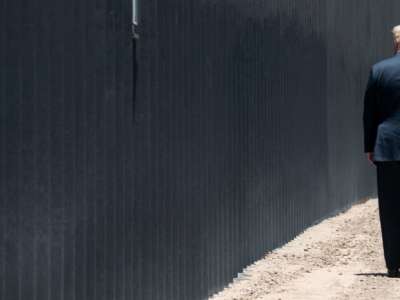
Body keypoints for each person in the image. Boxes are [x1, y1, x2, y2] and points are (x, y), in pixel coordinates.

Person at [363, 25, 400, 278]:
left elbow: (370, 114)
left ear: (396, 43)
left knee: (389, 208)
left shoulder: (379, 70)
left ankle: (394, 265)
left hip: (387, 147)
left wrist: (369, 147)